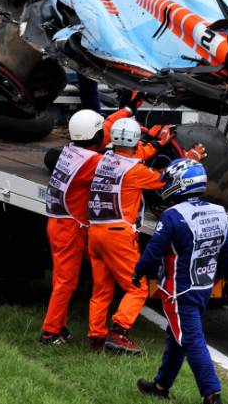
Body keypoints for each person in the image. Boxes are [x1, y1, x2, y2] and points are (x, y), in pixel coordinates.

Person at [134, 159, 228, 403]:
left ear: (181, 184)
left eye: (170, 181)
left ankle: (212, 394)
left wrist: (136, 272)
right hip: (203, 287)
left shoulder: (172, 216)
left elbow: (153, 251)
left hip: (178, 291)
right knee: (176, 336)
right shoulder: (218, 212)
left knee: (191, 340)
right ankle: (161, 385)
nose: (166, 185)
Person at [86, 115, 164, 353]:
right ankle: (119, 332)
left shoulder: (104, 159)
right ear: (135, 141)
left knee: (101, 289)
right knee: (137, 287)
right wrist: (189, 159)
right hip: (118, 234)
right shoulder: (136, 171)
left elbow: (133, 156)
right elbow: (165, 180)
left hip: (96, 232)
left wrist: (156, 144)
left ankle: (96, 337)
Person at [39, 108, 106, 345]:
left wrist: (127, 111)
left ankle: (59, 325)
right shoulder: (92, 162)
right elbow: (119, 167)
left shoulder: (70, 151)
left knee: (64, 280)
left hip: (60, 223)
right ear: (96, 137)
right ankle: (49, 333)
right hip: (69, 228)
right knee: (65, 282)